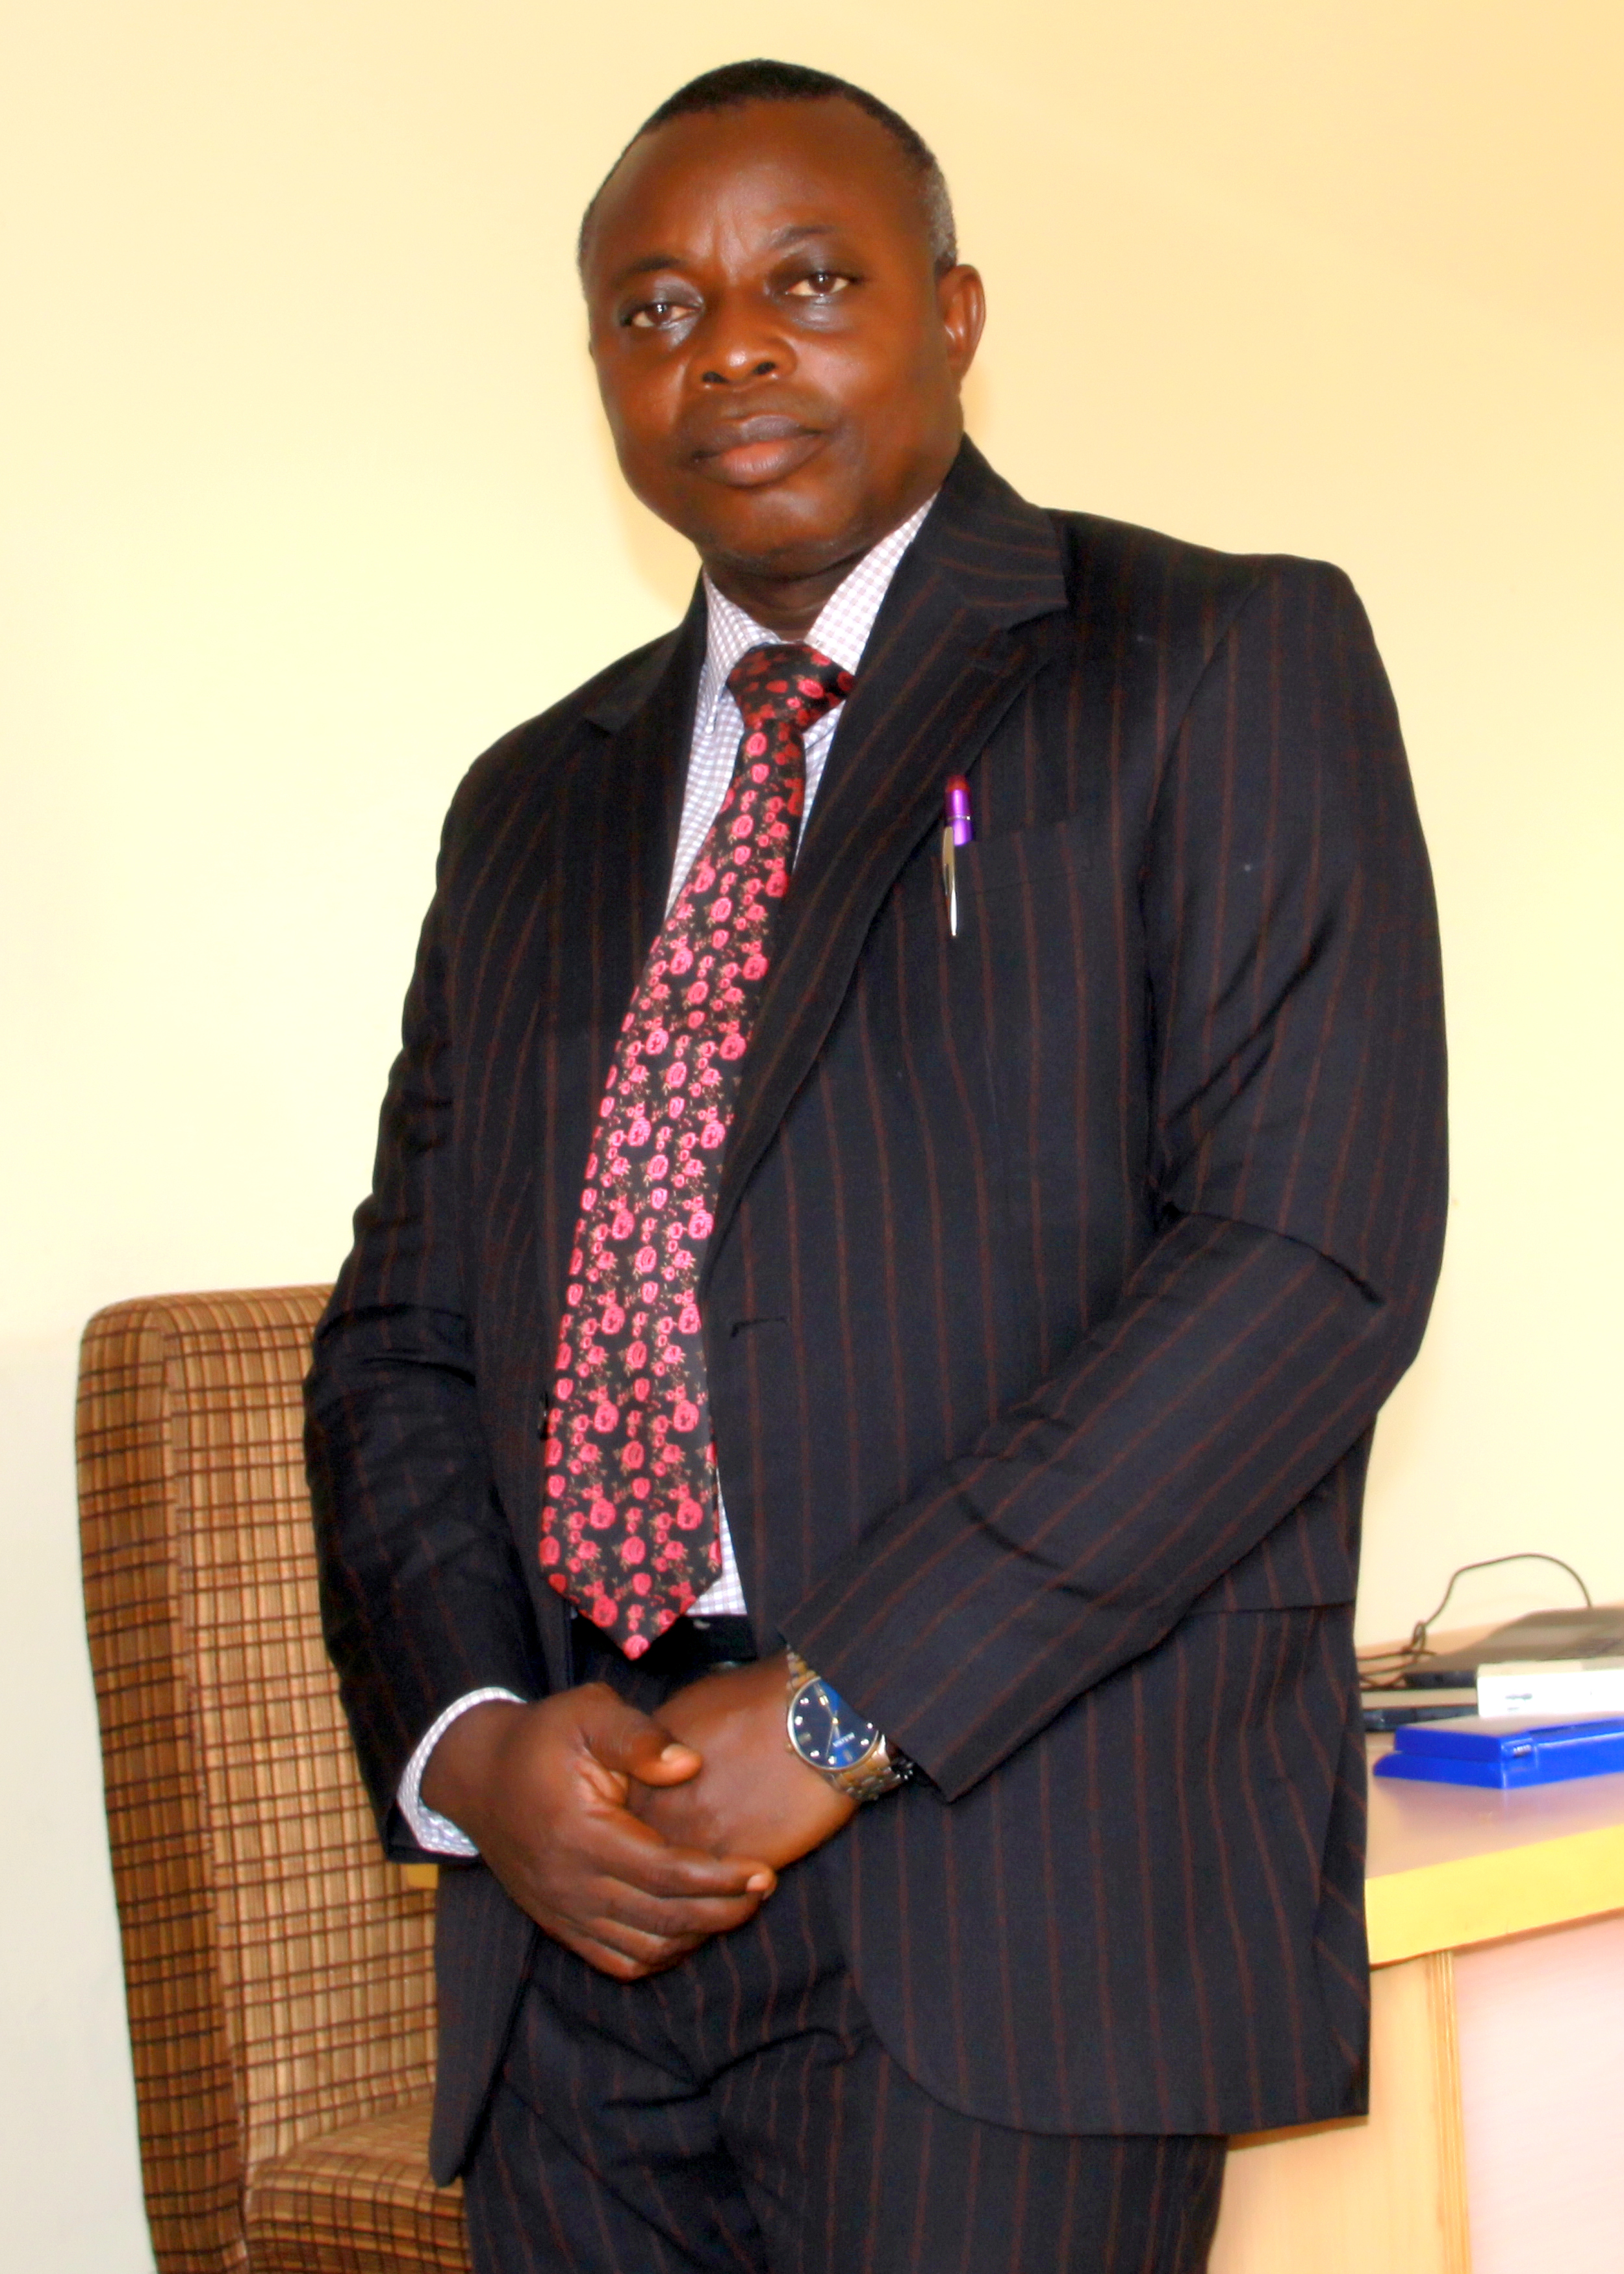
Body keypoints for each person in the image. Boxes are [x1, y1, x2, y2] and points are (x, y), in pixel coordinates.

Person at [306, 57, 1447, 2274]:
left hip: (1008, 1885)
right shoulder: (527, 801)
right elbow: (402, 1339)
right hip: (576, 1914)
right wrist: (475, 1746)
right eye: (656, 309)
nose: (728, 346)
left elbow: (1299, 1260)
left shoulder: (1210, 655)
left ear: (954, 313)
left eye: (808, 282)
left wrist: (847, 1708)